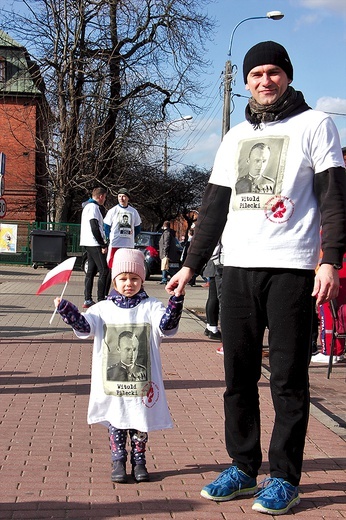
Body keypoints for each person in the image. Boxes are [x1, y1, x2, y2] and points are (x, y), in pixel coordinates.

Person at [166, 41, 346, 515]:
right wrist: (189, 263)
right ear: (246, 82)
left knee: (288, 379)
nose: (264, 81)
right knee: (237, 377)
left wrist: (330, 258)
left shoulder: (316, 124)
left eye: (272, 72)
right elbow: (213, 209)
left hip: (292, 270)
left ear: (286, 75)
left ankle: (285, 477)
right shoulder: (234, 137)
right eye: (256, 75)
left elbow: (334, 199)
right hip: (238, 268)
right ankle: (244, 467)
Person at [54, 248, 185, 484]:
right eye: (123, 279)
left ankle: (139, 460)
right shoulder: (102, 309)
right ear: (114, 280)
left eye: (135, 278)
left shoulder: (152, 307)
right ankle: (117, 459)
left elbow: (166, 327)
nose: (129, 284)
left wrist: (176, 301)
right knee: (116, 419)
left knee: (139, 420)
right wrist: (68, 310)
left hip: (142, 386)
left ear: (142, 279)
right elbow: (85, 327)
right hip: (112, 386)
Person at [80, 186, 110, 308]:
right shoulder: (93, 207)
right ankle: (101, 298)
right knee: (104, 270)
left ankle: (87, 298)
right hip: (94, 243)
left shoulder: (88, 206)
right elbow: (94, 226)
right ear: (101, 196)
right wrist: (102, 243)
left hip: (88, 242)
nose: (105, 200)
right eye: (105, 197)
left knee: (91, 271)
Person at [104, 187, 142, 269]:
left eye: (124, 196)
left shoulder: (133, 212)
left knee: (126, 266)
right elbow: (106, 227)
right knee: (112, 266)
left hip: (128, 245)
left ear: (128, 198)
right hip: (115, 244)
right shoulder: (113, 210)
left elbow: (138, 228)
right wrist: (110, 237)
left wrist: (132, 236)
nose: (121, 198)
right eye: (119, 196)